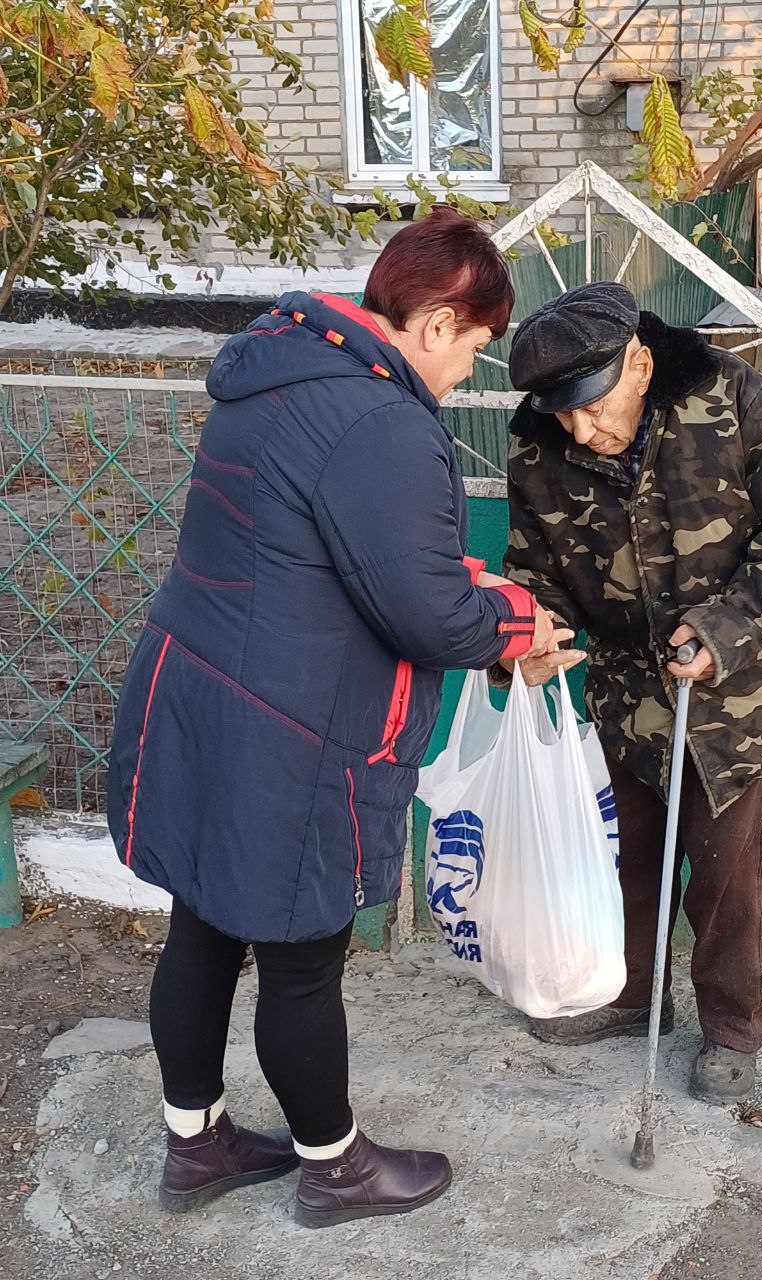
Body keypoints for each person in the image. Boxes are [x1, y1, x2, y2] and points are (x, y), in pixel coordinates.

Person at [107, 207, 563, 1227]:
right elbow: (425, 609)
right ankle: (337, 1165)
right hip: (287, 725)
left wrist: (466, 590)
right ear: (438, 321)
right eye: (474, 349)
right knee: (304, 959)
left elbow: (324, 548)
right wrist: (518, 621)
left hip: (198, 687)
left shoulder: (274, 373)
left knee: (206, 924)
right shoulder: (380, 419)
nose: (464, 375)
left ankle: (196, 1141)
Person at [498, 282, 762, 1104]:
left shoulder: (729, 395)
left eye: (593, 405)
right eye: (563, 414)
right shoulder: (540, 454)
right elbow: (533, 572)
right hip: (628, 700)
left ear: (642, 362)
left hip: (746, 697)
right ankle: (625, 994)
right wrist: (529, 640)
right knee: (627, 860)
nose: (582, 430)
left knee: (731, 877)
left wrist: (726, 628)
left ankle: (733, 1023)